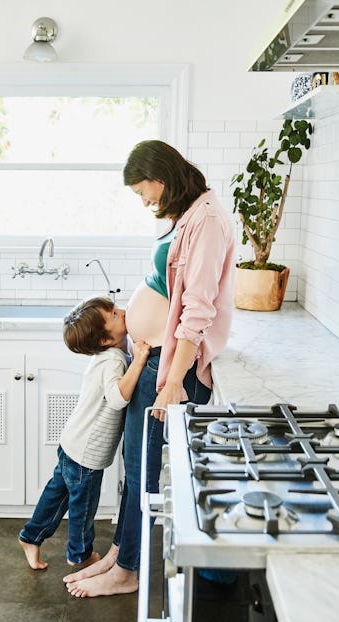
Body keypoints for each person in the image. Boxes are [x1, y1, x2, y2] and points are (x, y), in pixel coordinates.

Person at [65, 140, 236, 597]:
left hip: (170, 368)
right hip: (156, 359)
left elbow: (197, 311)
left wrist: (174, 381)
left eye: (144, 191)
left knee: (143, 470)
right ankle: (121, 555)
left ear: (162, 178)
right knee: (134, 466)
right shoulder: (190, 215)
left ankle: (128, 571)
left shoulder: (208, 222)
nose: (144, 201)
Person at [18, 296, 150, 571]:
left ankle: (31, 537)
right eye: (114, 314)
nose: (122, 312)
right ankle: (78, 554)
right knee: (83, 507)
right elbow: (117, 398)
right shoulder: (113, 359)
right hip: (87, 454)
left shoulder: (110, 353)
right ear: (104, 340)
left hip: (72, 444)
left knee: (57, 496)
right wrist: (139, 362)